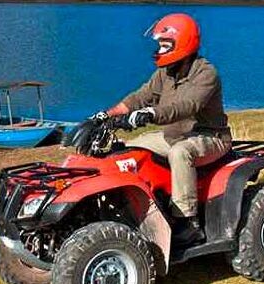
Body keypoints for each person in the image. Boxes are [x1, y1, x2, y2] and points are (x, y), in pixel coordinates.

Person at [93, 13, 232, 246]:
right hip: (174, 135)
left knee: (180, 153)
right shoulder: (165, 73)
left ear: (183, 43)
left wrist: (151, 114)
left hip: (211, 138)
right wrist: (105, 115)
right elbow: (140, 97)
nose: (161, 48)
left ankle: (188, 222)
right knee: (130, 149)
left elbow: (188, 106)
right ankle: (134, 205)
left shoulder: (206, 73)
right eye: (160, 44)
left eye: (165, 44)